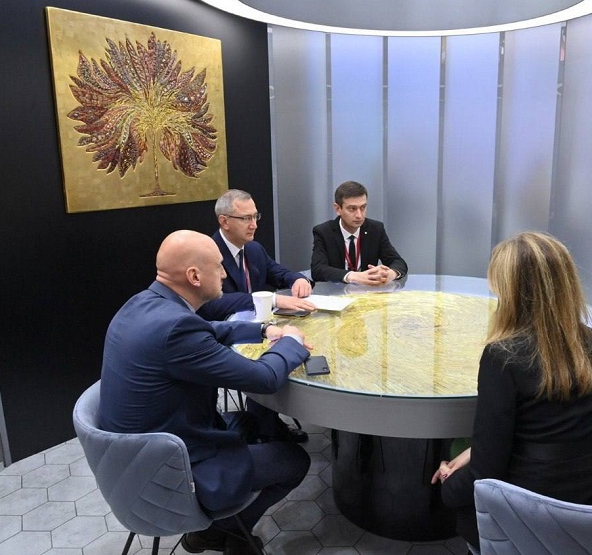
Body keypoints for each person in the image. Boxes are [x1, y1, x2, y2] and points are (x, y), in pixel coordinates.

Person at [98, 230, 312, 555]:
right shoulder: (177, 329)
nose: (225, 273)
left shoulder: (142, 304)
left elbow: (208, 329)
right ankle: (221, 532)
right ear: (194, 276)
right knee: (295, 460)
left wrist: (263, 329)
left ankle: (222, 524)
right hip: (170, 470)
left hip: (131, 460)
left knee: (251, 423)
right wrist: (293, 341)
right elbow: (264, 378)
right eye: (218, 266)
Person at [432, 232, 592, 551]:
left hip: (524, 517)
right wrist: (473, 453)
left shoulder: (503, 357)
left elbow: (487, 474)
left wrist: (447, 487)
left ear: (512, 293)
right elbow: (549, 427)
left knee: (449, 497)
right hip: (588, 506)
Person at [197, 189, 316, 322]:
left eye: (255, 216)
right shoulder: (208, 254)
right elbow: (211, 303)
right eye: (246, 218)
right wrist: (271, 300)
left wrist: (298, 280)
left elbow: (278, 273)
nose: (254, 225)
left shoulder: (254, 249)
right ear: (224, 222)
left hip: (260, 324)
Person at [310, 180, 408, 284]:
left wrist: (390, 273)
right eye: (352, 209)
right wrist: (352, 276)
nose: (359, 215)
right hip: (336, 291)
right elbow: (318, 270)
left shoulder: (375, 229)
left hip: (368, 291)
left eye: (363, 207)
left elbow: (398, 261)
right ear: (338, 209)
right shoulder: (324, 232)